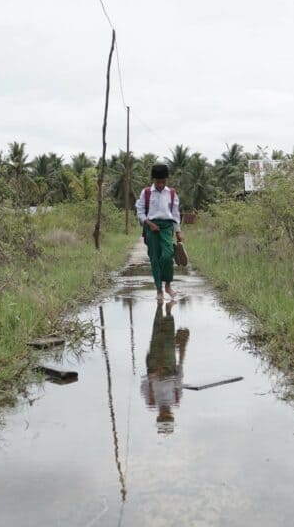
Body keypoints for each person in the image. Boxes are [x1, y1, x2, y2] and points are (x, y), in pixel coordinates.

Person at [135, 163, 183, 300]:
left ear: (166, 180)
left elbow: (175, 214)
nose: (161, 184)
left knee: (168, 256)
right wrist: (149, 224)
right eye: (158, 182)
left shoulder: (172, 193)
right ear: (153, 180)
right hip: (151, 228)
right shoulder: (146, 193)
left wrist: (178, 231)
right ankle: (159, 290)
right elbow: (139, 211)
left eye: (163, 181)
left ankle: (168, 285)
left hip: (167, 228)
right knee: (155, 259)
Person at [141, 300, 189, 434]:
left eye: (163, 417)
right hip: (169, 364)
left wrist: (153, 375)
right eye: (167, 417)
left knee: (156, 335)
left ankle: (160, 307)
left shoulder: (151, 401)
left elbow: (144, 381)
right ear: (172, 416)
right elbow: (179, 375)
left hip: (155, 364)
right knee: (168, 339)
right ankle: (167, 311)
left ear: (158, 417)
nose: (165, 414)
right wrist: (183, 349)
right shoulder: (176, 398)